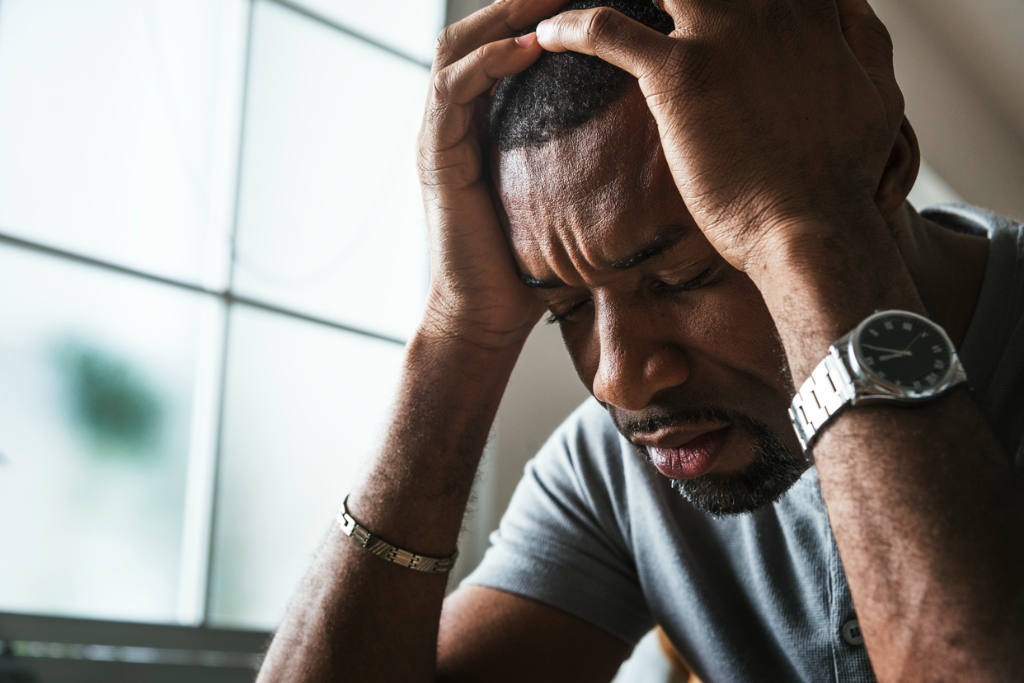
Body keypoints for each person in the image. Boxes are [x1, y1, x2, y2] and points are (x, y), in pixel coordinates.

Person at [256, 0, 1024, 681]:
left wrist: (810, 228)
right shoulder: (613, 471)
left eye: (685, 278)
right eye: (565, 310)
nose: (619, 381)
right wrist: (458, 335)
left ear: (884, 165)